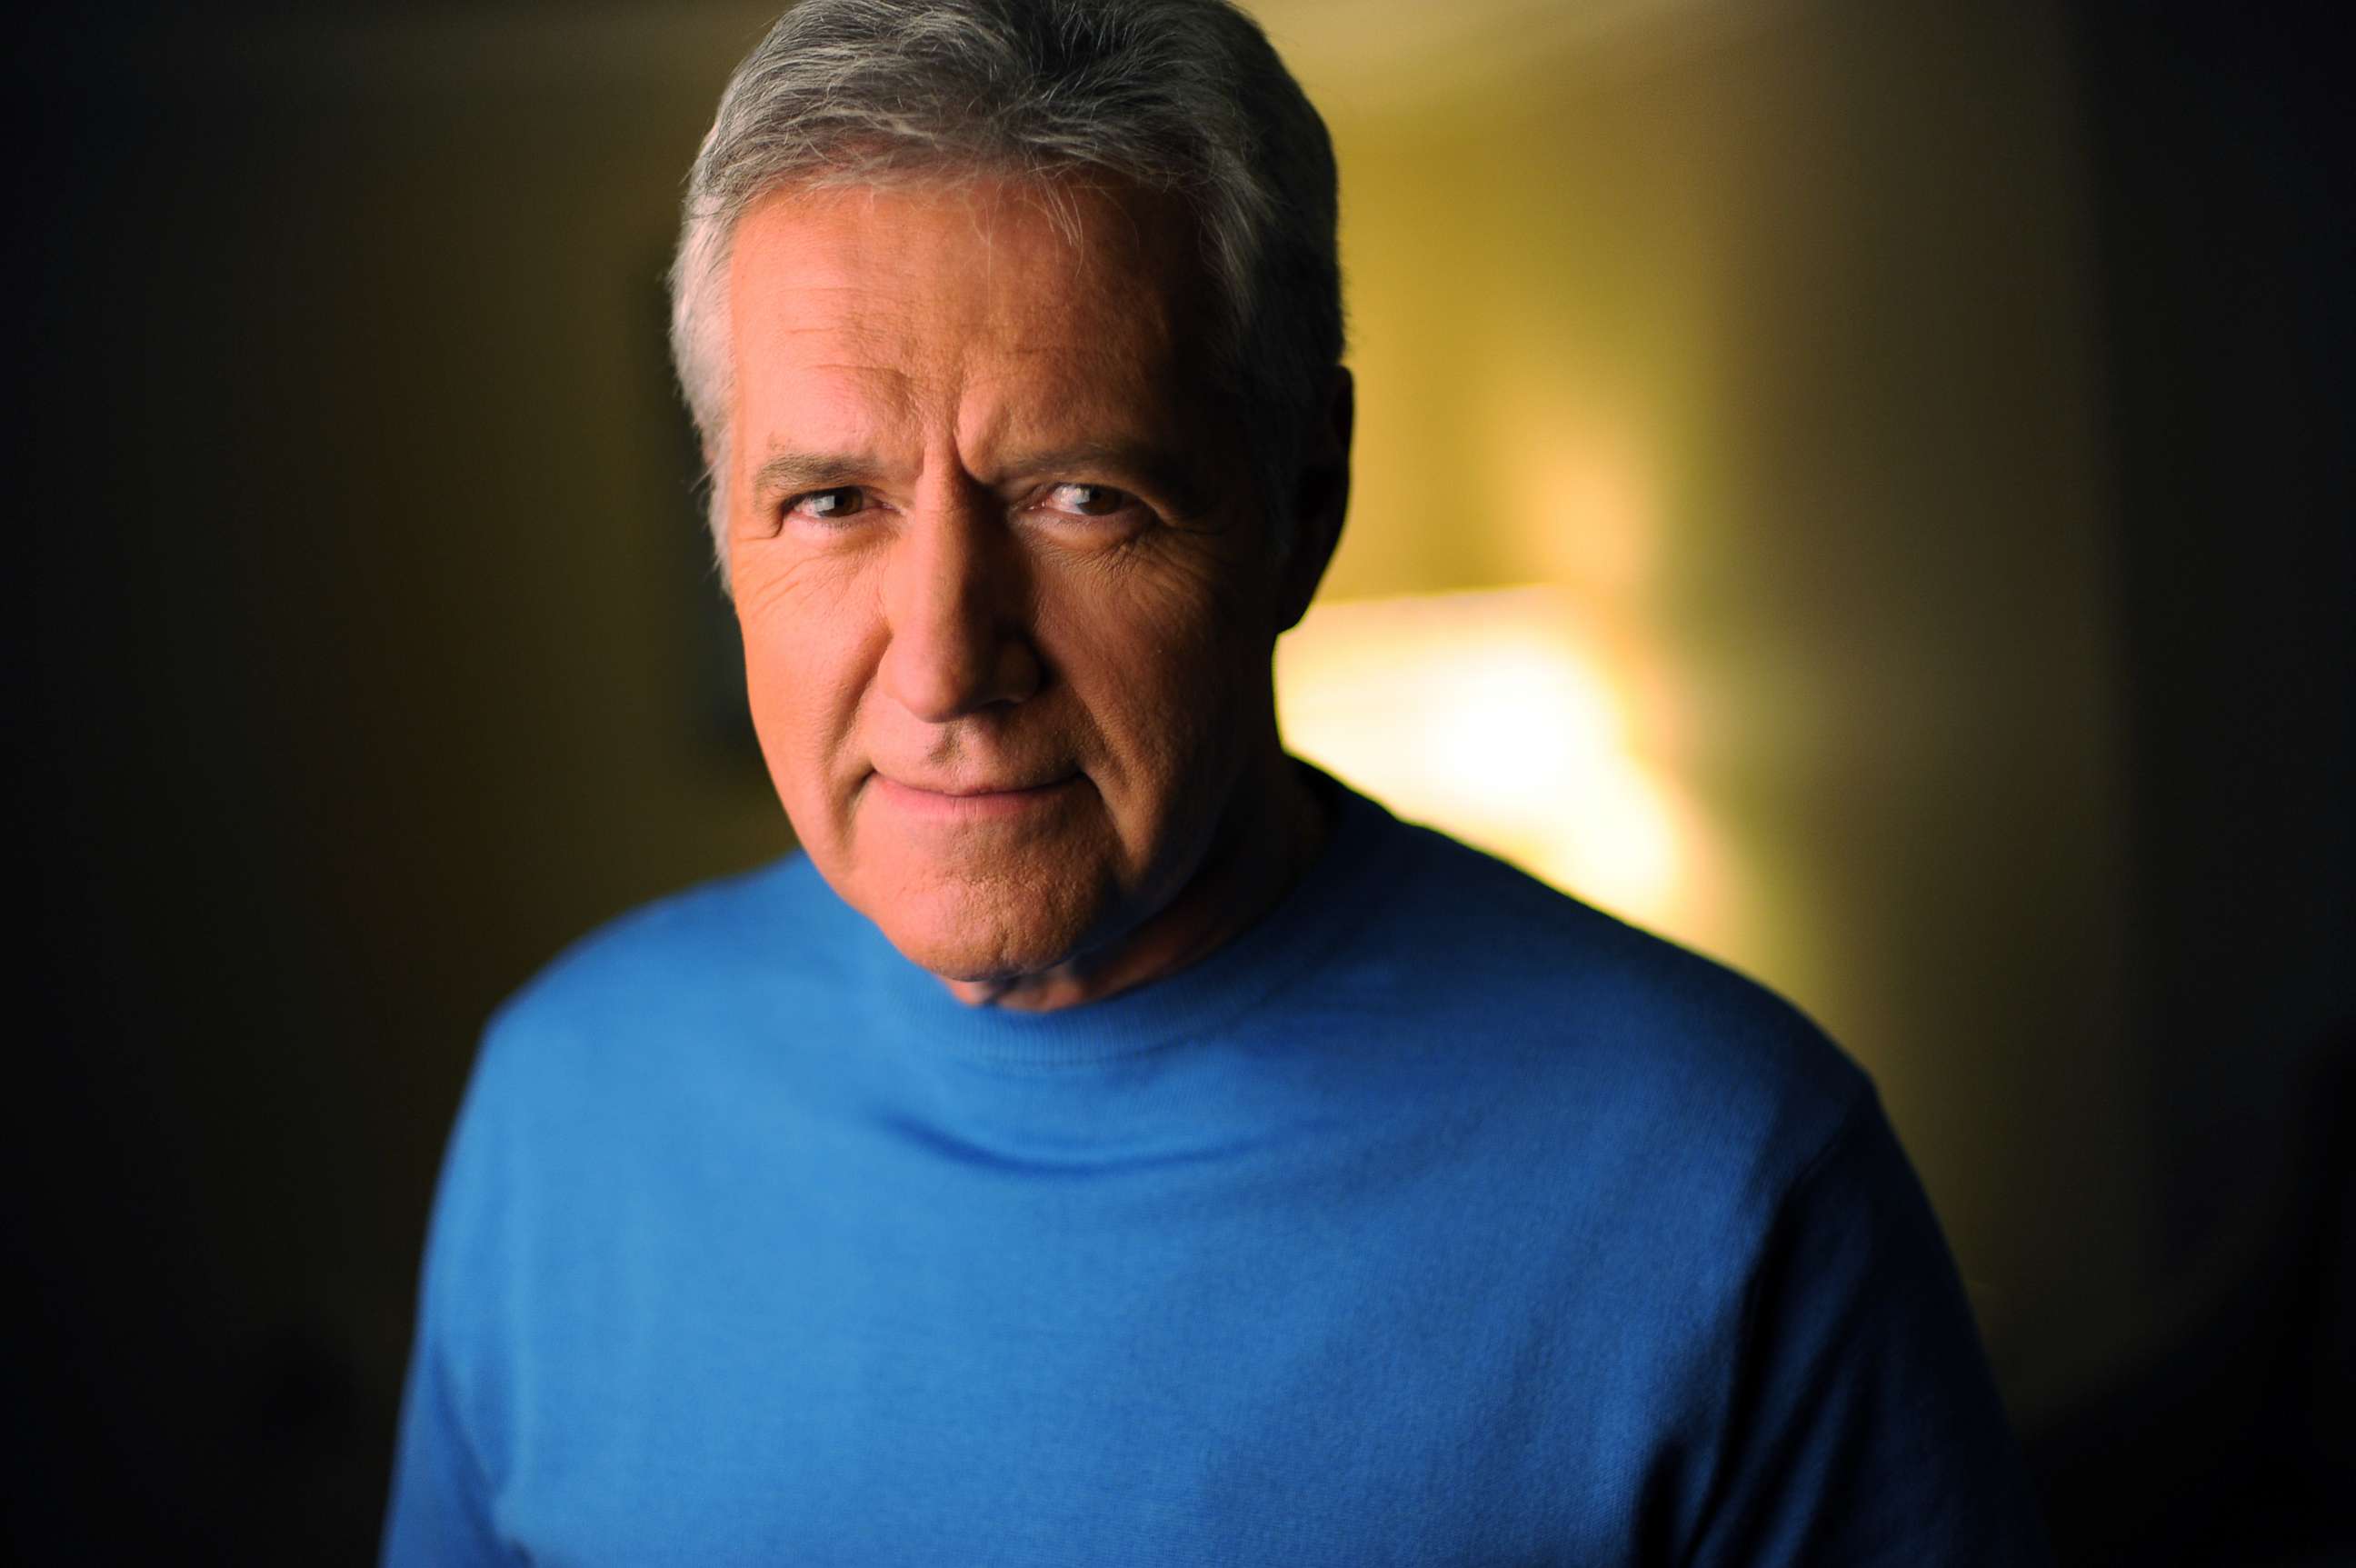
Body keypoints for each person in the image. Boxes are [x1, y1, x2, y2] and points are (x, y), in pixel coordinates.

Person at [383, 1, 2053, 1562]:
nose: (948, 661)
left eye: (1082, 496)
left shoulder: (1731, 1179)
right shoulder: (565, 1105)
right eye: (831, 502)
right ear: (726, 532)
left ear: (1300, 505)